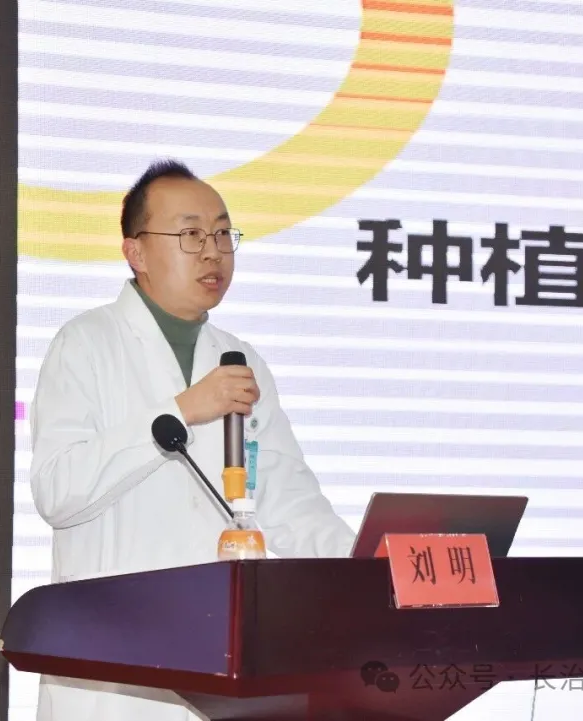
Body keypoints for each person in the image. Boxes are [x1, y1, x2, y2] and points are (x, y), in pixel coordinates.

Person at [29, 159, 356, 721]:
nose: (213, 252)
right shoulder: (85, 344)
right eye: (191, 235)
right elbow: (58, 492)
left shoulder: (241, 359)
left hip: (219, 666)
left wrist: (369, 570)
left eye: (223, 234)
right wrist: (180, 411)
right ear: (135, 252)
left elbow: (288, 502)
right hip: (114, 671)